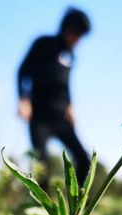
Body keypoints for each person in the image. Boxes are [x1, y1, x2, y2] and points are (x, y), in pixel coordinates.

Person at [17, 7, 91, 190]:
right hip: (40, 116)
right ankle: (43, 210)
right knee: (42, 165)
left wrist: (70, 107)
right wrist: (23, 100)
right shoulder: (42, 44)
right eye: (78, 35)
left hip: (61, 117)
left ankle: (78, 207)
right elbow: (22, 72)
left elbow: (65, 85)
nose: (79, 41)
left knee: (84, 159)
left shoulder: (71, 55)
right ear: (69, 28)